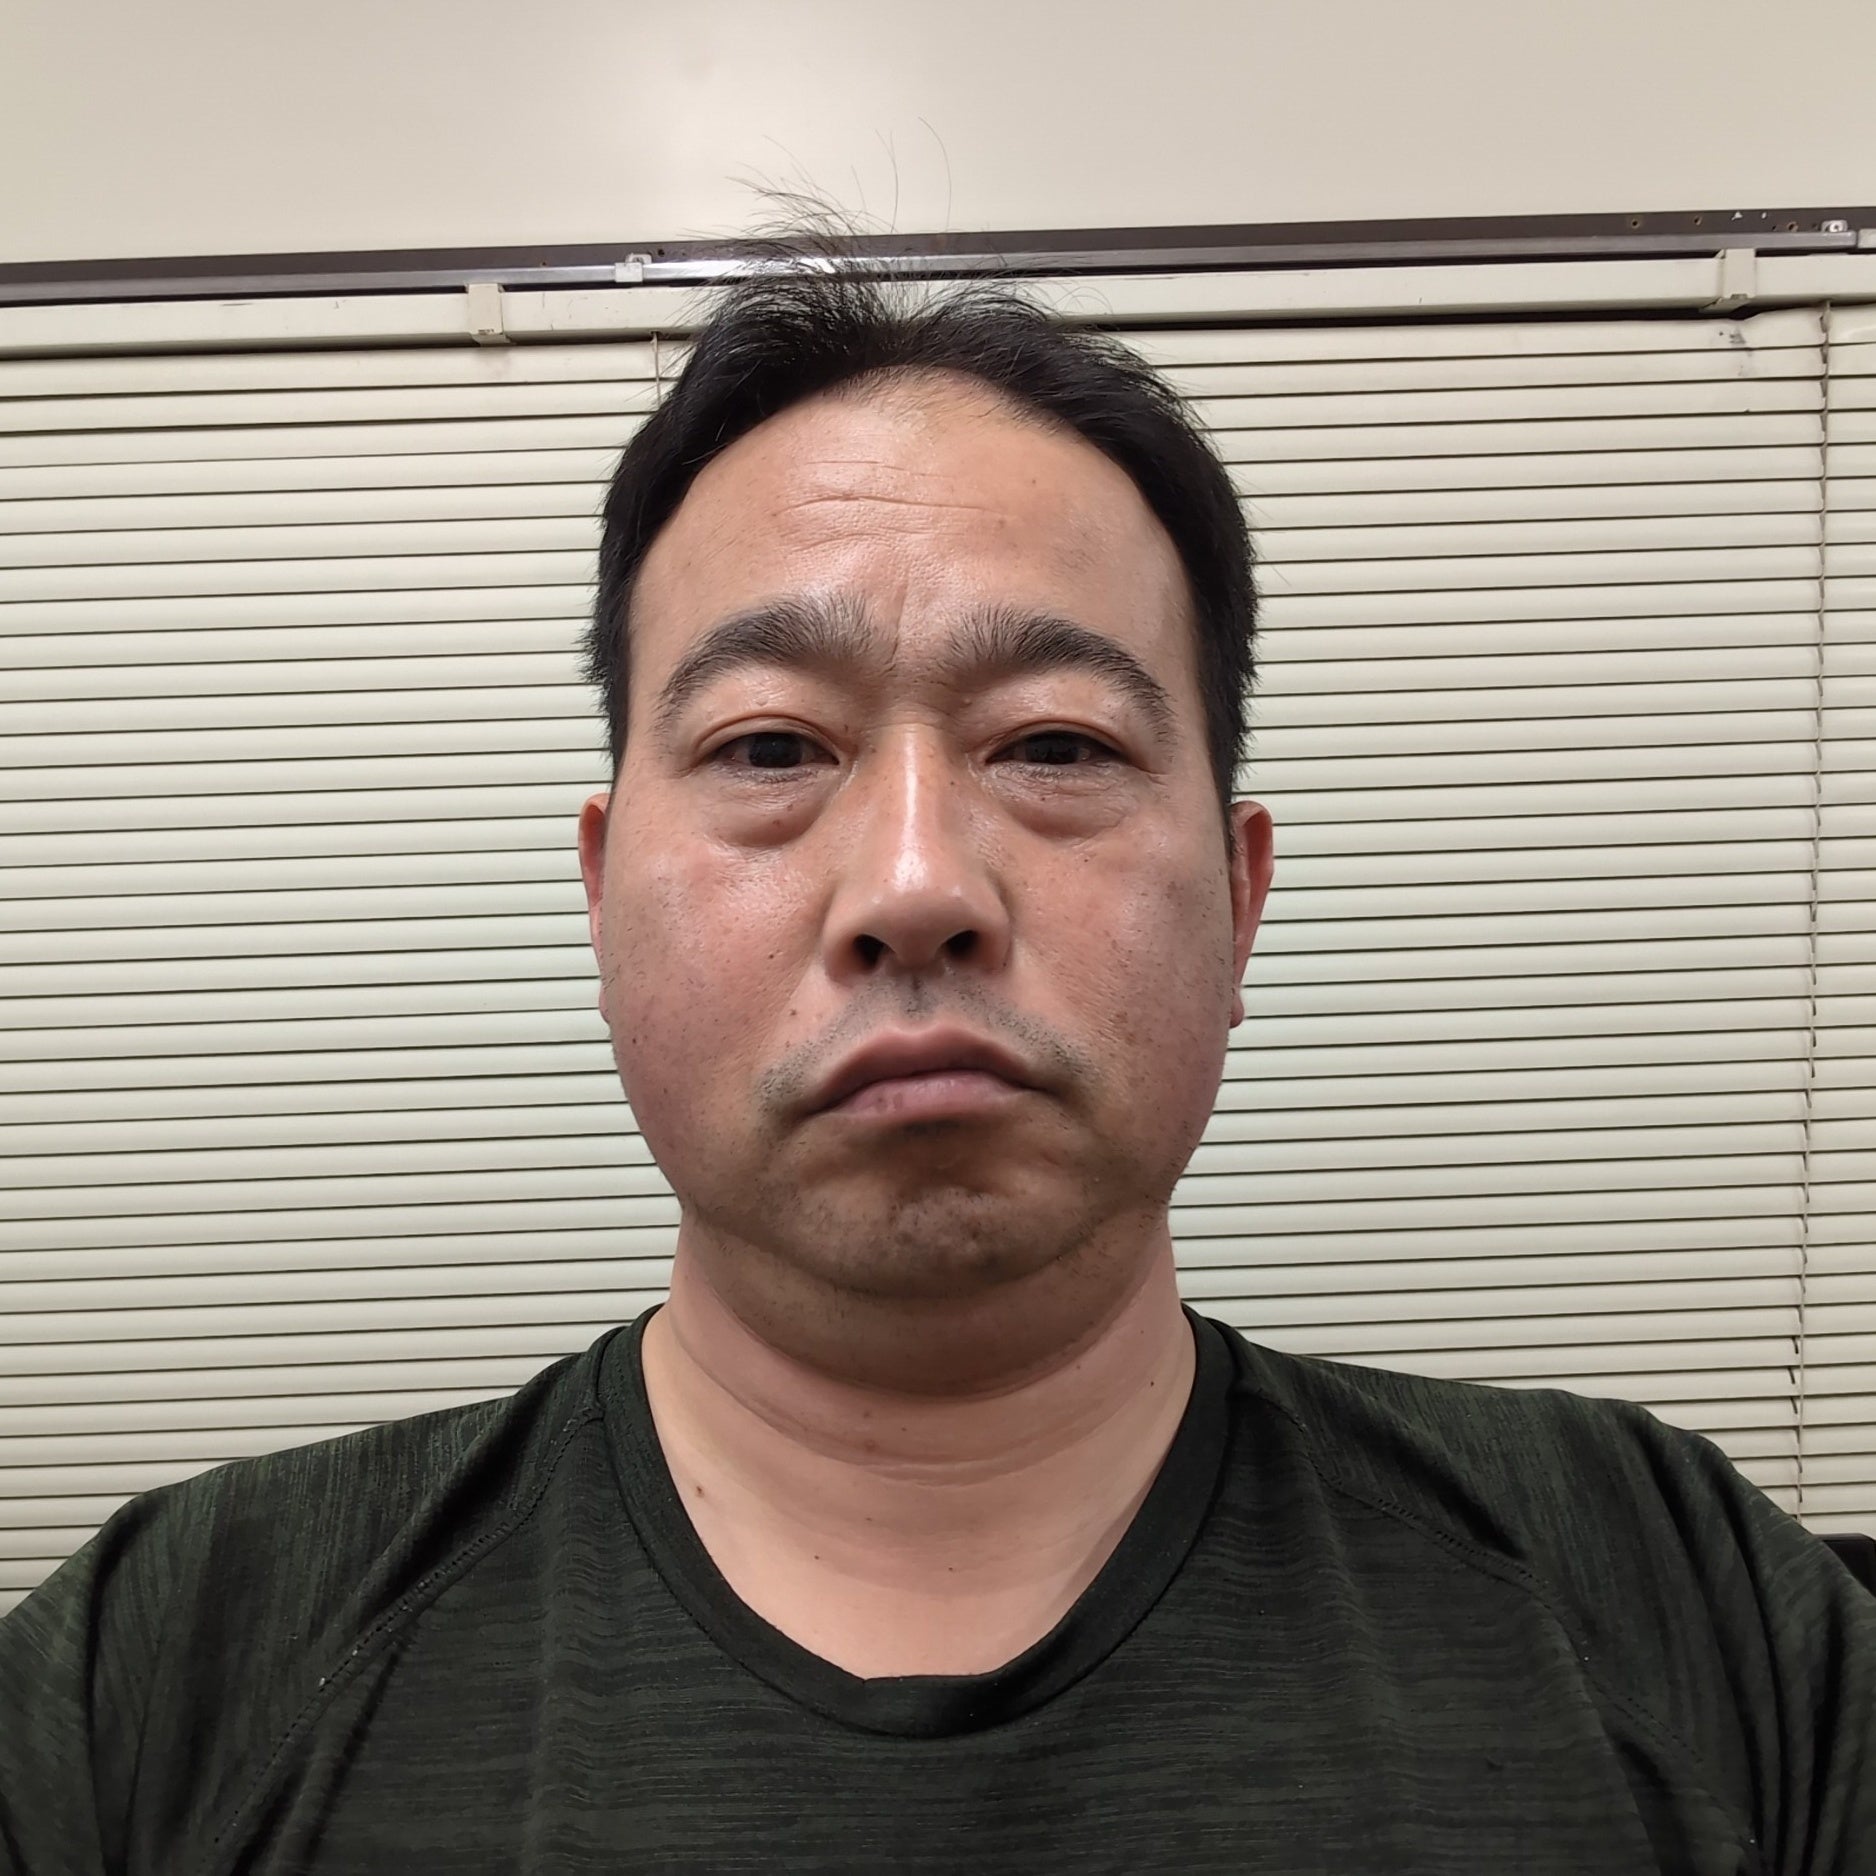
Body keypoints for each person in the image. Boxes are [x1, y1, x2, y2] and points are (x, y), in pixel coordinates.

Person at [1, 259, 1872, 1876]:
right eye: (768, 747)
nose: (914, 886)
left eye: (1055, 744)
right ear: (601, 889)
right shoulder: (168, 1670)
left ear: (1238, 898)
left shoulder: (1685, 1604)